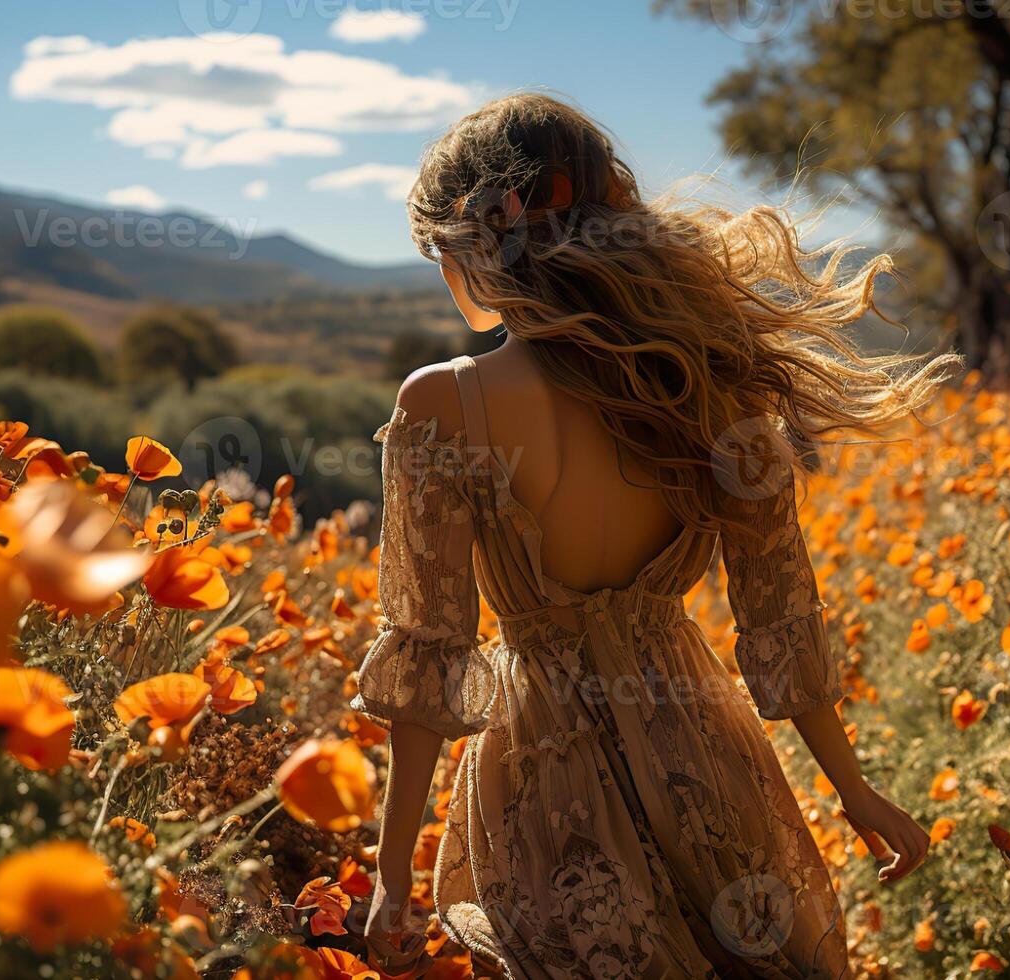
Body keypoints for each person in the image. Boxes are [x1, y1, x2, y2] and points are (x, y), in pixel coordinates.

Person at [351, 93, 955, 979]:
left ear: (475, 241)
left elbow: (429, 658)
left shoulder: (444, 402)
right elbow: (779, 615)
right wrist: (851, 790)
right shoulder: (707, 386)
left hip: (542, 777)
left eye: (440, 250)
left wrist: (390, 871)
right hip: (704, 754)